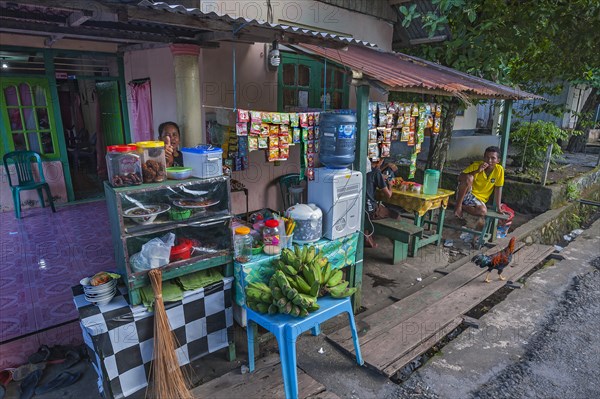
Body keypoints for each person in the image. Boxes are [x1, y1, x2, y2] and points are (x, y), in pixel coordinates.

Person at [454, 146, 504, 230]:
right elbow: (460, 178)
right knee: (469, 177)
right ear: (484, 158)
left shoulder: (499, 170)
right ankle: (458, 206)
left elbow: (498, 188)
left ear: (498, 161)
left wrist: (499, 207)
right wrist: (477, 171)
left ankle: (455, 204)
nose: (489, 161)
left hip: (479, 200)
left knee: (483, 211)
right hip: (466, 194)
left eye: (493, 158)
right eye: (487, 157)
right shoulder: (476, 165)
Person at [364, 158, 394, 248]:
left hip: (361, 207)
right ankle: (396, 241)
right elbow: (389, 195)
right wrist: (390, 185)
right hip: (370, 209)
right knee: (395, 215)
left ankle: (367, 236)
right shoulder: (376, 172)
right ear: (380, 161)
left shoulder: (360, 168)